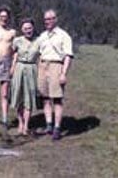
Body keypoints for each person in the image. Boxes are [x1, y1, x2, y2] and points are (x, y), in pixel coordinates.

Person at [37, 9, 73, 140]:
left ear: (56, 19)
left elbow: (68, 55)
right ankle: (49, 125)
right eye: (46, 19)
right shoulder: (42, 36)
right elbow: (38, 52)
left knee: (57, 98)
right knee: (45, 98)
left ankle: (57, 128)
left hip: (56, 65)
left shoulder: (64, 35)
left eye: (50, 18)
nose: (48, 21)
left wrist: (63, 73)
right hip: (43, 65)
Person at [10, 18, 39, 136]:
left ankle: (26, 125)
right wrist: (12, 68)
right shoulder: (17, 41)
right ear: (22, 29)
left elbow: (41, 57)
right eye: (25, 28)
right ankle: (20, 122)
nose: (28, 31)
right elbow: (14, 54)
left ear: (33, 28)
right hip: (19, 68)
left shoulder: (38, 41)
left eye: (30, 28)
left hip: (32, 69)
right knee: (19, 96)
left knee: (29, 97)